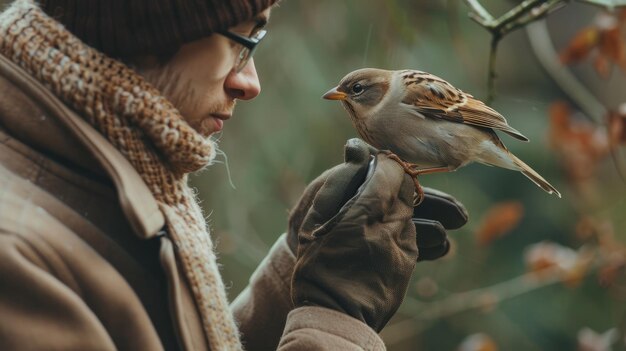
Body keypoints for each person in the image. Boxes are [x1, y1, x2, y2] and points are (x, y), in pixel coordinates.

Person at [0, 0, 468, 350]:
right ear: (150, 28)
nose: (250, 84)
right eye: (241, 42)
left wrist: (296, 269)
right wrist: (334, 315)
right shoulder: (19, 263)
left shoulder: (113, 177)